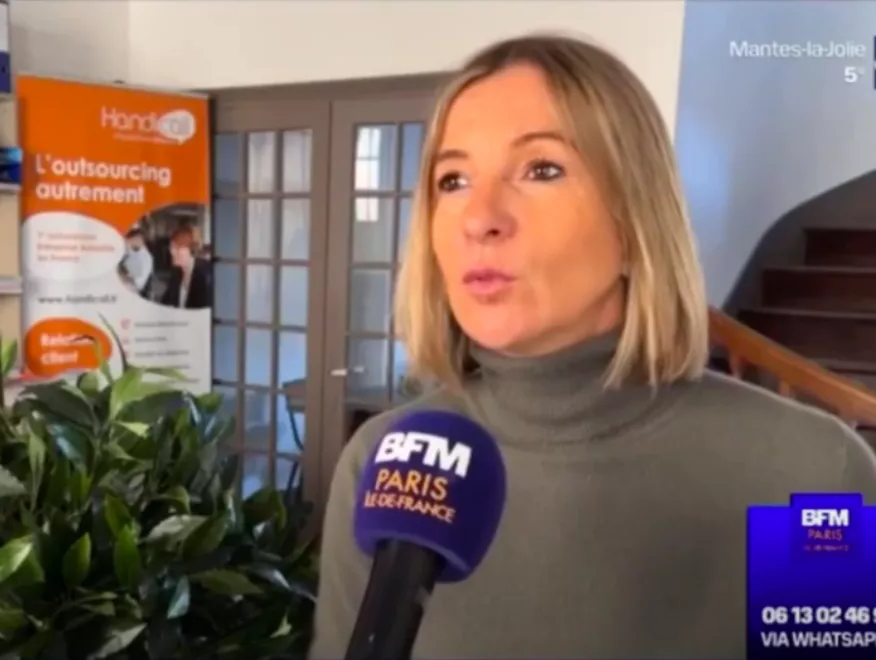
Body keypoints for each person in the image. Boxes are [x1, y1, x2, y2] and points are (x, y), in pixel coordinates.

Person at [310, 34, 876, 660]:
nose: (480, 217)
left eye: (542, 169)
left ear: (634, 220)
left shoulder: (811, 478)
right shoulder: (382, 464)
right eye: (453, 179)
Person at [158, 225, 211, 309]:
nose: (172, 252)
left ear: (192, 249)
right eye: (171, 248)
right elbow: (164, 302)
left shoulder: (204, 276)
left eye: (178, 248)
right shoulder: (176, 273)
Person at [119, 227, 154, 294]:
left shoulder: (144, 257)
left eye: (130, 241)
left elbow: (136, 283)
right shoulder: (134, 252)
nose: (127, 244)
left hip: (133, 290)